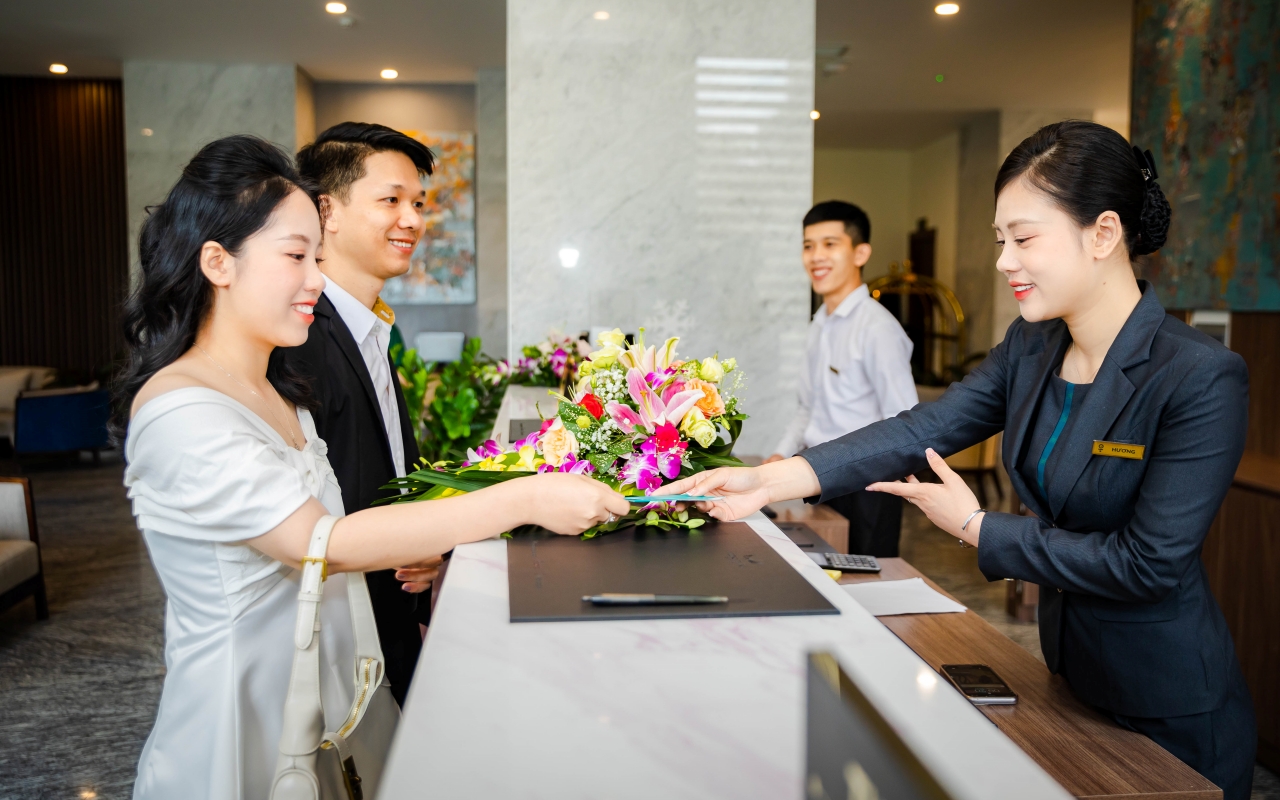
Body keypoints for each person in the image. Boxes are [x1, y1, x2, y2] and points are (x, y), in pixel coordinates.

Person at [671, 121, 1256, 799]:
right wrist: (768, 479)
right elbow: (921, 427)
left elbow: (1146, 564)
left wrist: (977, 527)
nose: (1004, 261)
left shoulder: (1198, 376)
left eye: (1023, 239)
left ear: (1102, 234)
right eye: (1000, 240)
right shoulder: (1031, 347)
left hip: (1169, 704)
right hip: (1068, 681)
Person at [117, 135, 628, 799]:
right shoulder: (179, 407)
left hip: (338, 690)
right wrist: (525, 498)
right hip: (245, 716)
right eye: (296, 256)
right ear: (218, 262)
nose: (315, 279)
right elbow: (317, 543)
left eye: (315, 257)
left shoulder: (278, 391)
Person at [272, 121, 437, 706]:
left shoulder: (368, 324)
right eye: (391, 200)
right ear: (327, 212)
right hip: (341, 639)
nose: (412, 219)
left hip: (389, 609)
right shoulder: (300, 337)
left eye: (418, 203)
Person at [766, 201, 918, 556]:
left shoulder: (877, 328)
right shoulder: (819, 324)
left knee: (869, 579)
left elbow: (906, 420)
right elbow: (808, 408)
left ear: (860, 253)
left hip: (869, 485)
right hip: (821, 477)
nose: (816, 256)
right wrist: (779, 455)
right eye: (808, 246)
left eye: (830, 244)